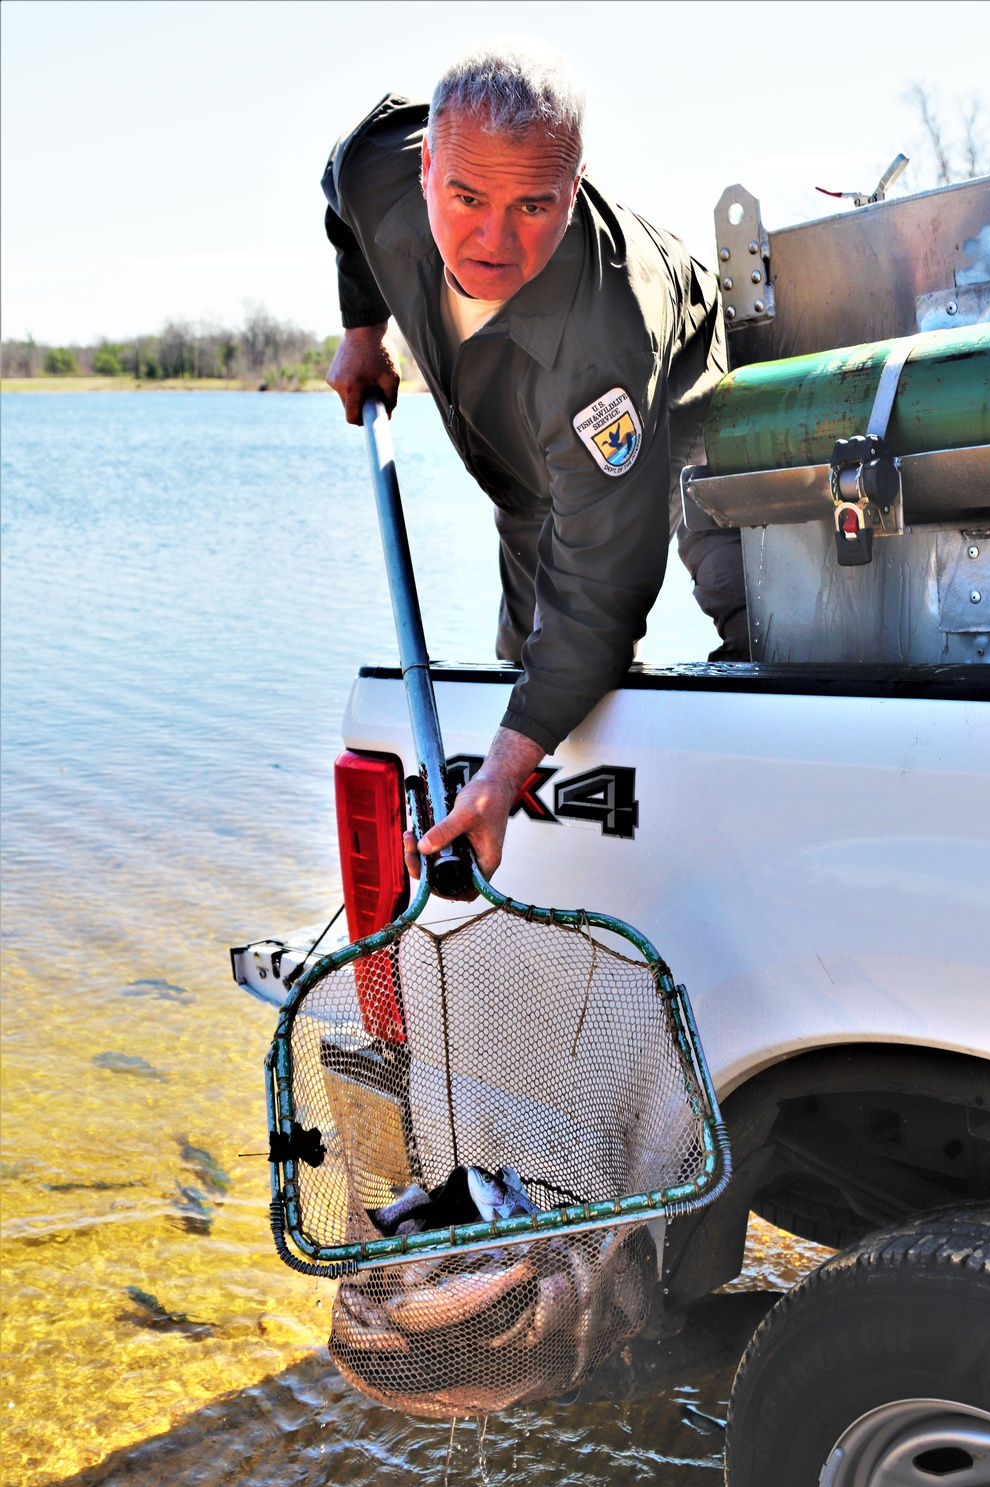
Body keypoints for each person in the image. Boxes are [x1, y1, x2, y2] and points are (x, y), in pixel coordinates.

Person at [324, 40, 747, 884]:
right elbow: (343, 200)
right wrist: (362, 332)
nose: (493, 240)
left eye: (533, 205)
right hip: (521, 463)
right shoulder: (379, 164)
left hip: (692, 405)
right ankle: (547, 859)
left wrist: (506, 765)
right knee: (532, 689)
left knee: (752, 615)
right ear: (424, 169)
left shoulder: (606, 349)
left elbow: (601, 596)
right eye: (467, 196)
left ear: (578, 181)